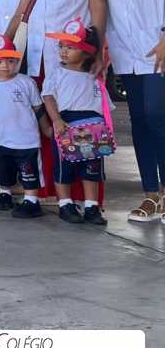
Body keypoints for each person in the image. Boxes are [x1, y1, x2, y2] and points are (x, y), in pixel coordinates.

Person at [7, 0, 107, 200]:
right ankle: (48, 190)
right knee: (46, 124)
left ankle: (86, 198)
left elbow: (98, 1)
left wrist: (98, 47)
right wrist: (6, 43)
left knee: (80, 125)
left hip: (74, 59)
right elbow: (23, 8)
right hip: (39, 56)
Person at [85, 0, 165, 224]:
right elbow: (99, 4)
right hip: (125, 50)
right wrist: (100, 49)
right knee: (140, 121)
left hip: (158, 45)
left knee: (157, 115)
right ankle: (151, 195)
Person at [41, 21, 108, 226]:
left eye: (70, 47)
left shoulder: (94, 76)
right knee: (64, 167)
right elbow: (48, 97)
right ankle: (65, 204)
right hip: (66, 125)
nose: (63, 51)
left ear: (86, 52)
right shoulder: (56, 74)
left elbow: (104, 105)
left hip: (93, 127)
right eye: (61, 46)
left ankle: (91, 206)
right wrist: (56, 120)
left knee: (92, 168)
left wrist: (105, 127)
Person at [0, 33, 46, 219]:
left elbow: (38, 108)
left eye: (10, 61)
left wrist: (46, 127)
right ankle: (5, 194)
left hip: (26, 140)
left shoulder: (26, 82)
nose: (5, 66)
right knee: (2, 170)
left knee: (29, 172)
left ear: (17, 61)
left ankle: (31, 201)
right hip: (0, 139)